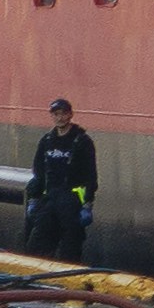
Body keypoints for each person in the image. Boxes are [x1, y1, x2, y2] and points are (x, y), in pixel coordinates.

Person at [21, 97, 99, 262]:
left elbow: (91, 175)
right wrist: (34, 198)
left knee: (70, 249)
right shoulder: (47, 141)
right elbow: (39, 172)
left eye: (63, 114)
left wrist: (87, 203)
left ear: (70, 115)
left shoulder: (82, 141)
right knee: (36, 247)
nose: (59, 118)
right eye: (56, 114)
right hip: (49, 200)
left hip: (71, 202)